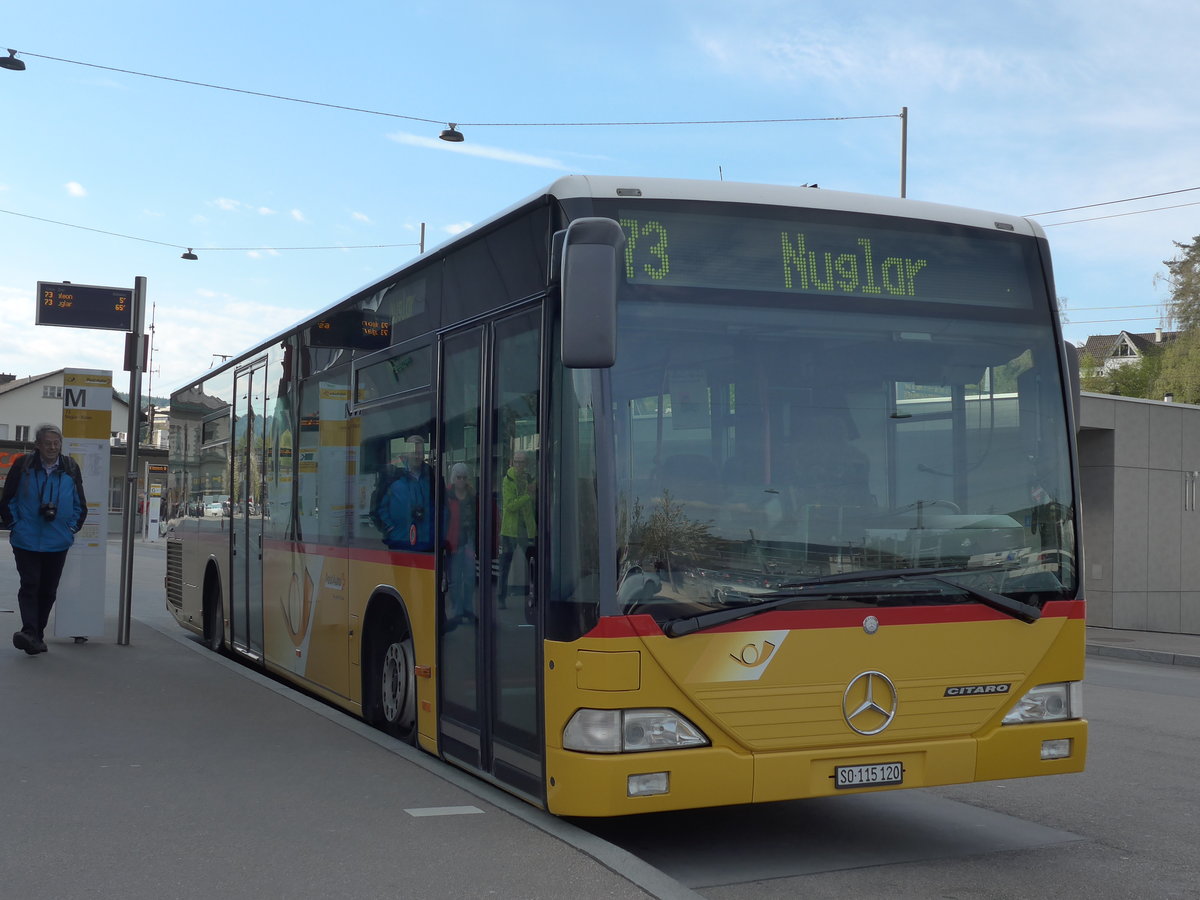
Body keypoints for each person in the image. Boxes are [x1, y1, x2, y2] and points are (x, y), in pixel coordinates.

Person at [1, 423, 88, 655]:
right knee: (30, 584)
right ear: (37, 445)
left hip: (58, 540)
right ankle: (29, 631)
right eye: (47, 443)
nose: (52, 447)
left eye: (56, 443)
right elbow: (7, 499)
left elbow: (80, 504)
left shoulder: (70, 467)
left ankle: (36, 636)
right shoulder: (23, 465)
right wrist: (15, 526)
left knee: (48, 590)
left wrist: (70, 529)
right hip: (26, 539)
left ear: (61, 444)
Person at [377, 435, 433, 551]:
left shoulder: (431, 478)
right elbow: (379, 508)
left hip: (426, 544)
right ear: (407, 453)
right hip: (400, 542)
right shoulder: (393, 477)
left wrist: (437, 531)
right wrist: (390, 528)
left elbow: (442, 508)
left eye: (420, 452)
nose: (417, 456)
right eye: (414, 452)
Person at [497, 450, 536, 608]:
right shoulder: (507, 479)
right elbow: (510, 505)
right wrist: (528, 495)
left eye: (522, 462)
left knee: (534, 564)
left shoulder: (528, 479)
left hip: (527, 529)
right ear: (512, 463)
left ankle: (536, 596)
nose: (519, 465)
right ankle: (501, 598)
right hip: (510, 530)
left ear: (526, 464)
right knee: (505, 566)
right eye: (517, 462)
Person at [442, 462, 477, 626]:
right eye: (458, 477)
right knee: (455, 579)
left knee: (470, 577)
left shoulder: (472, 495)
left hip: (469, 541)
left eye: (464, 477)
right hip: (453, 542)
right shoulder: (447, 496)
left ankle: (468, 609)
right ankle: (457, 610)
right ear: (453, 478)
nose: (461, 481)